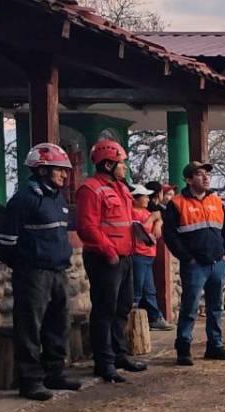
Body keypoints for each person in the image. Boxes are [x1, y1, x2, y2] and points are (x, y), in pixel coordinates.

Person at [0, 143, 84, 401]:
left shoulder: (57, 198)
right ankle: (31, 380)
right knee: (30, 327)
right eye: (59, 170)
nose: (65, 175)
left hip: (58, 272)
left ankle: (54, 373)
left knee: (58, 323)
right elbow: (6, 243)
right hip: (33, 274)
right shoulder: (24, 199)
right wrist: (26, 265)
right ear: (42, 170)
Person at [75, 139, 147, 382]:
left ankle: (119, 355)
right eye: (121, 163)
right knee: (104, 310)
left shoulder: (121, 188)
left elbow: (125, 221)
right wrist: (110, 252)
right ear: (108, 164)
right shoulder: (90, 189)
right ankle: (103, 362)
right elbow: (87, 227)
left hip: (125, 257)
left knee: (123, 307)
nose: (125, 167)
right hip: (104, 259)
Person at [163, 161, 225, 366]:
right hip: (194, 265)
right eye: (200, 174)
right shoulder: (177, 203)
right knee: (190, 306)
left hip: (217, 263)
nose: (206, 177)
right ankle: (183, 348)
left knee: (216, 307)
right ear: (188, 179)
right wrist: (188, 258)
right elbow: (170, 235)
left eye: (207, 174)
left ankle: (215, 345)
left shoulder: (216, 201)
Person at [129, 183, 171, 331]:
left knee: (150, 290)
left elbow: (159, 216)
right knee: (137, 290)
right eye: (144, 196)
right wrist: (153, 219)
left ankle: (155, 318)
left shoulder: (146, 211)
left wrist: (158, 221)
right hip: (138, 254)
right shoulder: (132, 212)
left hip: (148, 255)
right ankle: (130, 321)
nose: (148, 199)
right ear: (135, 199)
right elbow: (140, 231)